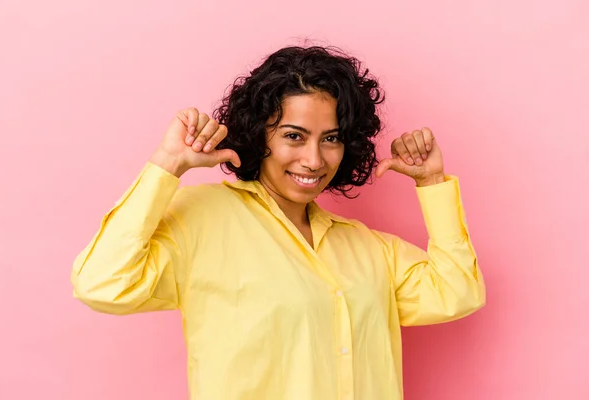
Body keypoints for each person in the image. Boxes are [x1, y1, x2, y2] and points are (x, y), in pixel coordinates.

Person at [70, 45, 486, 400]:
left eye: (331, 138)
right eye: (293, 135)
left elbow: (457, 292)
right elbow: (102, 283)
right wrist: (168, 165)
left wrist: (431, 183)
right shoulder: (203, 218)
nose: (314, 159)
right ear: (259, 135)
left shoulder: (365, 246)